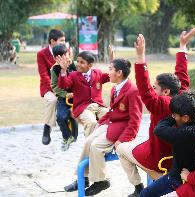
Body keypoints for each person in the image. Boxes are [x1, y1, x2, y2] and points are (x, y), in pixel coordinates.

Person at [116, 28, 195, 197]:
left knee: (121, 148)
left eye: (156, 88)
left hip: (157, 158)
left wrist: (140, 57)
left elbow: (144, 89)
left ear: (166, 92)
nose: (153, 90)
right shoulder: (183, 96)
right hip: (177, 158)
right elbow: (182, 74)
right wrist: (182, 46)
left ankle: (138, 188)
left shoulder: (161, 104)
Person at [64, 58, 143, 196]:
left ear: (119, 72)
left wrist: (123, 139)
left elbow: (135, 120)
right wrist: (100, 123)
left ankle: (101, 181)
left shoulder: (132, 91)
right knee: (88, 141)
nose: (108, 72)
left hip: (122, 129)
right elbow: (112, 110)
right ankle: (84, 178)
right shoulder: (115, 88)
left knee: (96, 146)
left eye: (111, 69)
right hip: (110, 123)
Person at [140, 91, 195, 197]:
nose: (173, 117)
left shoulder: (185, 133)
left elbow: (158, 130)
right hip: (193, 175)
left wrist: (170, 118)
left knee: (145, 194)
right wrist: (176, 114)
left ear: (186, 118)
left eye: (174, 115)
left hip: (177, 179)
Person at [57, 51, 109, 137]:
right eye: (77, 61)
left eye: (82, 62)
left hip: (99, 106)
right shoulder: (73, 75)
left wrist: (113, 62)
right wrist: (63, 71)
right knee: (92, 122)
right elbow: (63, 85)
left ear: (90, 65)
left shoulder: (97, 73)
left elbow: (110, 76)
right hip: (83, 108)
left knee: (113, 118)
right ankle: (88, 147)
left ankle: (107, 145)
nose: (78, 64)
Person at [37, 29, 65, 145]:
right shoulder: (41, 54)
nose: (64, 43)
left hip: (64, 84)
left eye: (64, 40)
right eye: (61, 40)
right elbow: (44, 75)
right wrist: (55, 90)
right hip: (48, 87)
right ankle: (47, 129)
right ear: (52, 41)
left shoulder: (65, 51)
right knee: (52, 100)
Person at [50, 44, 78, 151]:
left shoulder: (74, 65)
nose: (63, 59)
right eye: (59, 58)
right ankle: (67, 136)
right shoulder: (55, 69)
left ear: (68, 53)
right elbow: (54, 87)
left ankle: (75, 136)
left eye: (64, 55)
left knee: (74, 114)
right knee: (60, 116)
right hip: (64, 97)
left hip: (78, 97)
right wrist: (65, 94)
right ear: (55, 58)